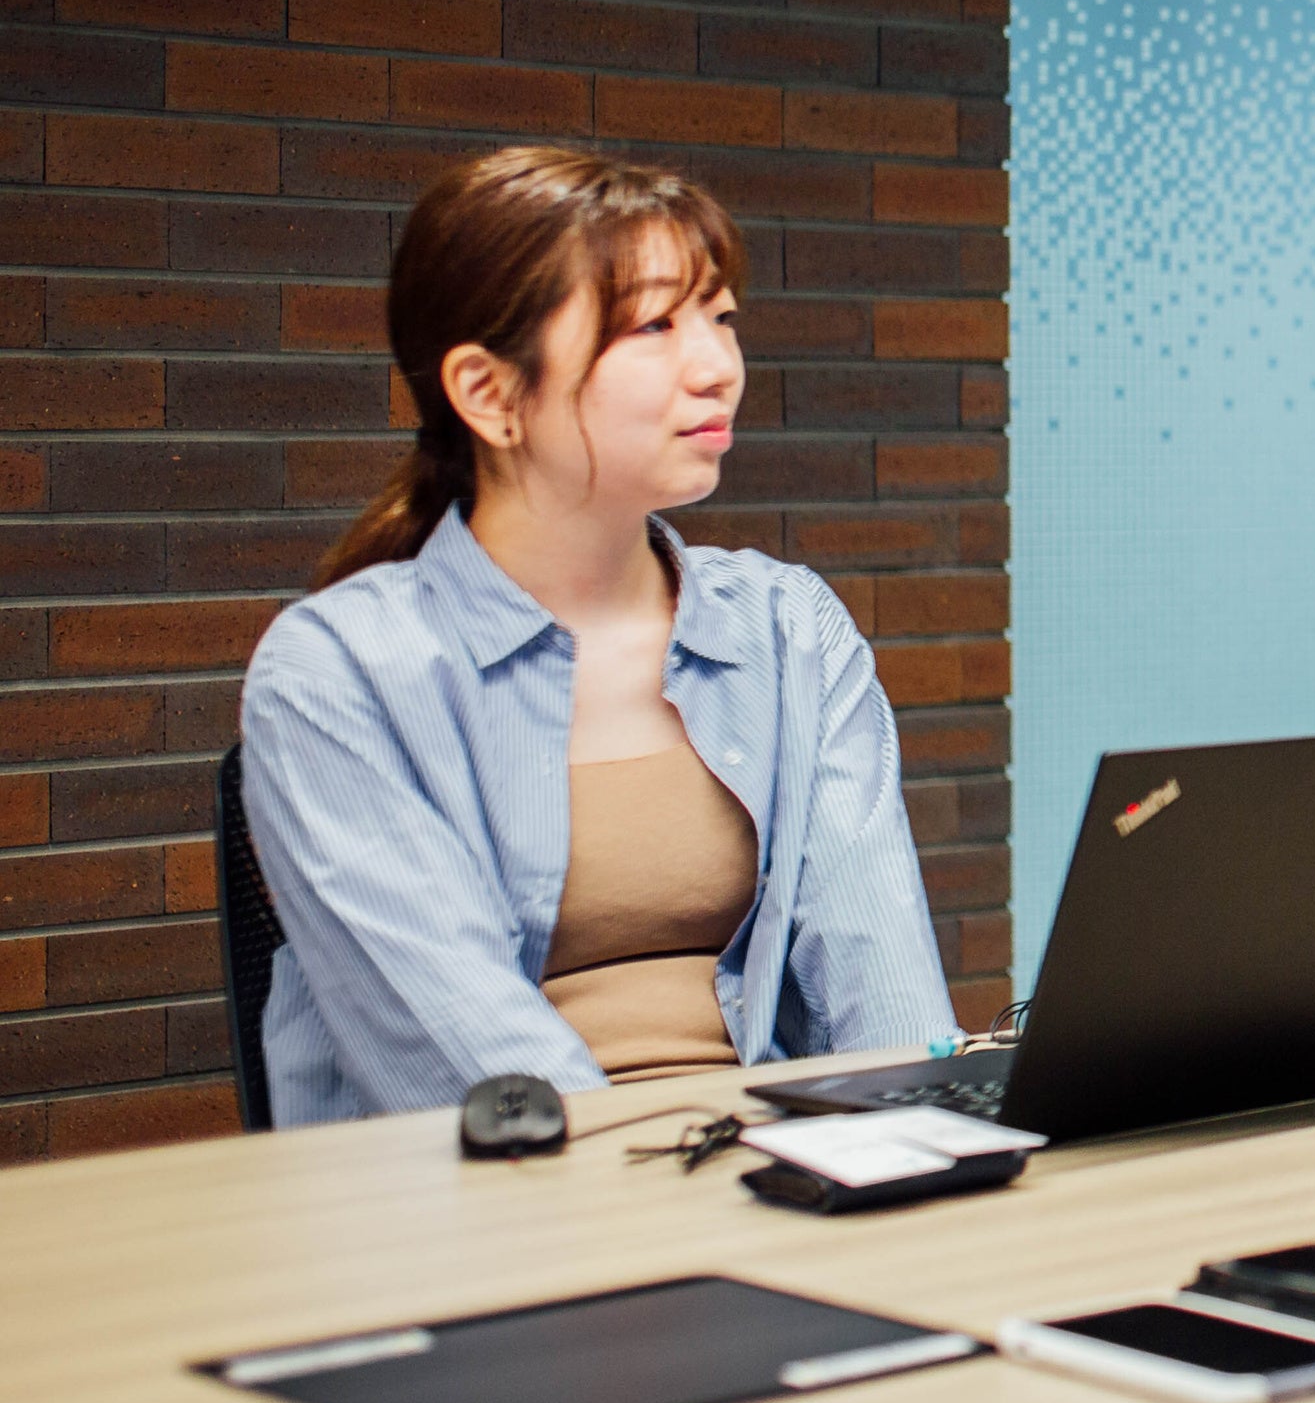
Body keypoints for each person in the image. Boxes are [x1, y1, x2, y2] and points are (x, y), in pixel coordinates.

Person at [240, 147, 954, 1125]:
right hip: (504, 1191)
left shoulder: (790, 627)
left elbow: (888, 998)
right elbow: (487, 1083)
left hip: (789, 1176)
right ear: (490, 393)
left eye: (721, 317)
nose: (718, 367)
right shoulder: (336, 672)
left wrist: (927, 1146)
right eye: (655, 326)